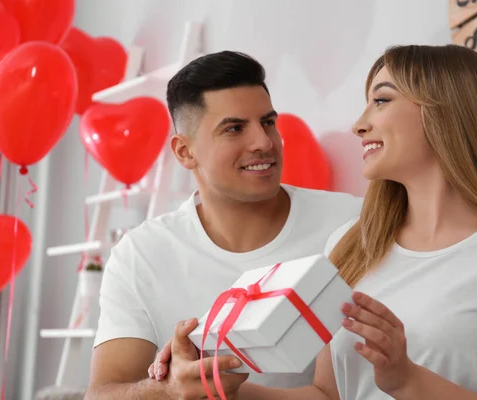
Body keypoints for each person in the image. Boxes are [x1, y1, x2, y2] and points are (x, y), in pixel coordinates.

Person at [153, 44, 477, 400]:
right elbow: (326, 394)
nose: (360, 125)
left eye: (381, 100)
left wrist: (408, 380)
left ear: (447, 111)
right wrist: (215, 382)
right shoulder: (351, 244)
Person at [84, 50, 362, 399]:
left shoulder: (351, 224)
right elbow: (101, 394)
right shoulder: (141, 255)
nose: (263, 143)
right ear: (184, 152)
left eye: (268, 122)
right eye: (234, 128)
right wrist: (170, 391)